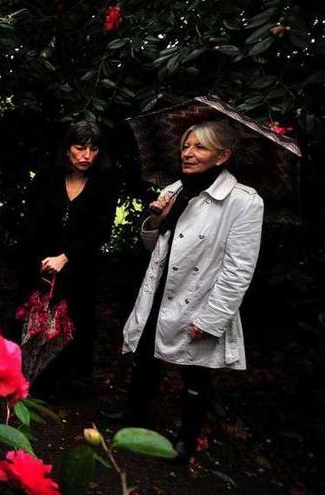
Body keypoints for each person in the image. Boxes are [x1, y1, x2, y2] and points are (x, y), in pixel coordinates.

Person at [105, 120, 264, 462]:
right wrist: (155, 220)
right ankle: (134, 418)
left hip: (200, 299)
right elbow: (152, 246)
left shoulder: (244, 202)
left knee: (196, 373)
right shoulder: (176, 189)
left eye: (199, 147)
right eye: (185, 145)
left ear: (222, 156)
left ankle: (186, 439)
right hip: (160, 290)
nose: (188, 153)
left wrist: (211, 319)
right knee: (145, 357)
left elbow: (239, 270)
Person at [19, 121, 118, 392]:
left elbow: (101, 231)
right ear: (67, 149)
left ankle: (62, 385)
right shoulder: (47, 177)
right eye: (80, 147)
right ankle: (30, 378)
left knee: (73, 323)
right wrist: (40, 260)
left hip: (80, 269)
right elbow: (31, 221)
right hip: (41, 265)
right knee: (36, 319)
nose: (86, 155)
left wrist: (66, 256)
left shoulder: (105, 184)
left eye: (93, 148)